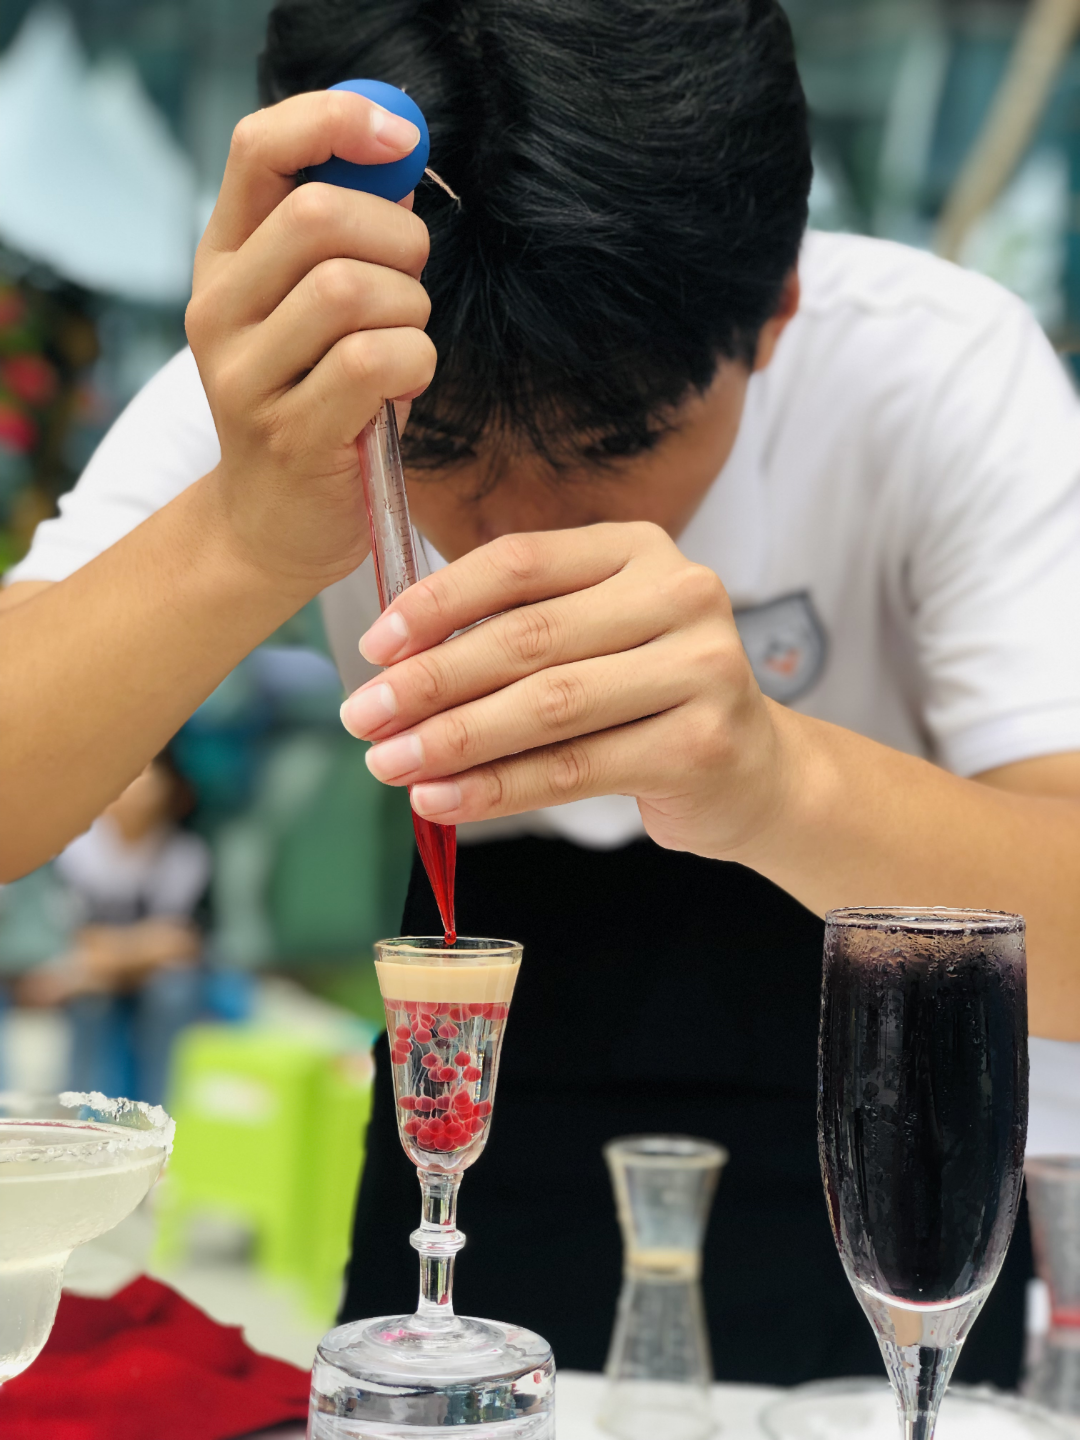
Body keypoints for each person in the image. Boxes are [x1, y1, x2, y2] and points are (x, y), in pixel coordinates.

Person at [2, 0, 1080, 1384]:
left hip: (882, 1090)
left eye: (614, 440)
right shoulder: (302, 381)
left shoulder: (934, 373)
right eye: (438, 446)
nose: (514, 535)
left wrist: (779, 783)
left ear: (778, 311)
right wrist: (244, 533)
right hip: (491, 1071)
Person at [17, 752, 209, 1106]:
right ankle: (86, 1117)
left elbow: (182, 943)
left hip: (137, 977)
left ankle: (164, 1115)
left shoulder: (185, 855)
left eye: (151, 778)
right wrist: (141, 947)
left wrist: (113, 959)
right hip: (87, 976)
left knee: (175, 990)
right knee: (91, 1000)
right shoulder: (75, 848)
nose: (140, 789)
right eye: (133, 778)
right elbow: (69, 941)